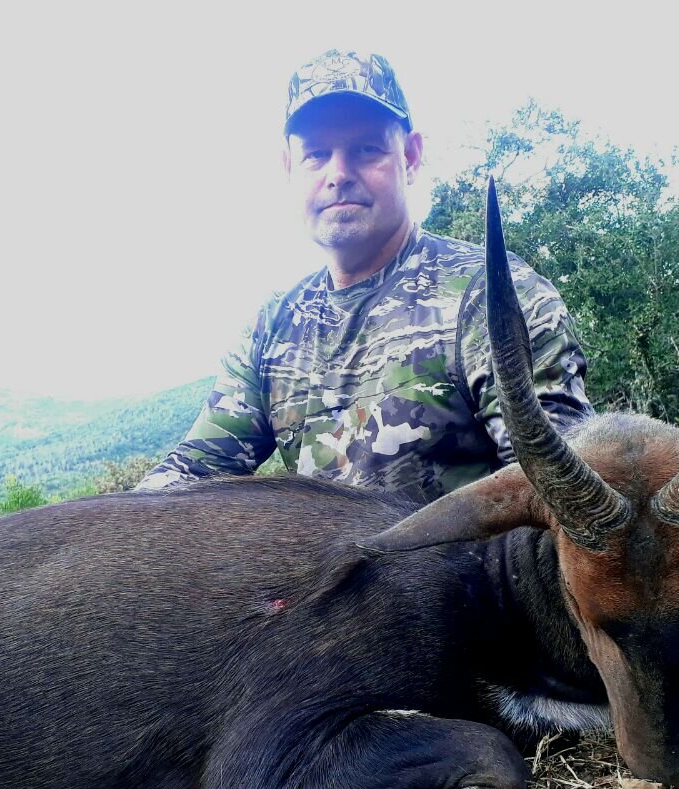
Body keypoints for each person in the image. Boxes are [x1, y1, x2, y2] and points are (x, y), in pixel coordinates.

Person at [138, 50, 592, 504]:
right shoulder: (273, 326)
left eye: (365, 149)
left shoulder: (492, 297)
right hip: (319, 574)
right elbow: (193, 472)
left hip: (467, 573)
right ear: (289, 168)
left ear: (410, 158)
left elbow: (556, 490)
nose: (338, 174)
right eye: (316, 154)